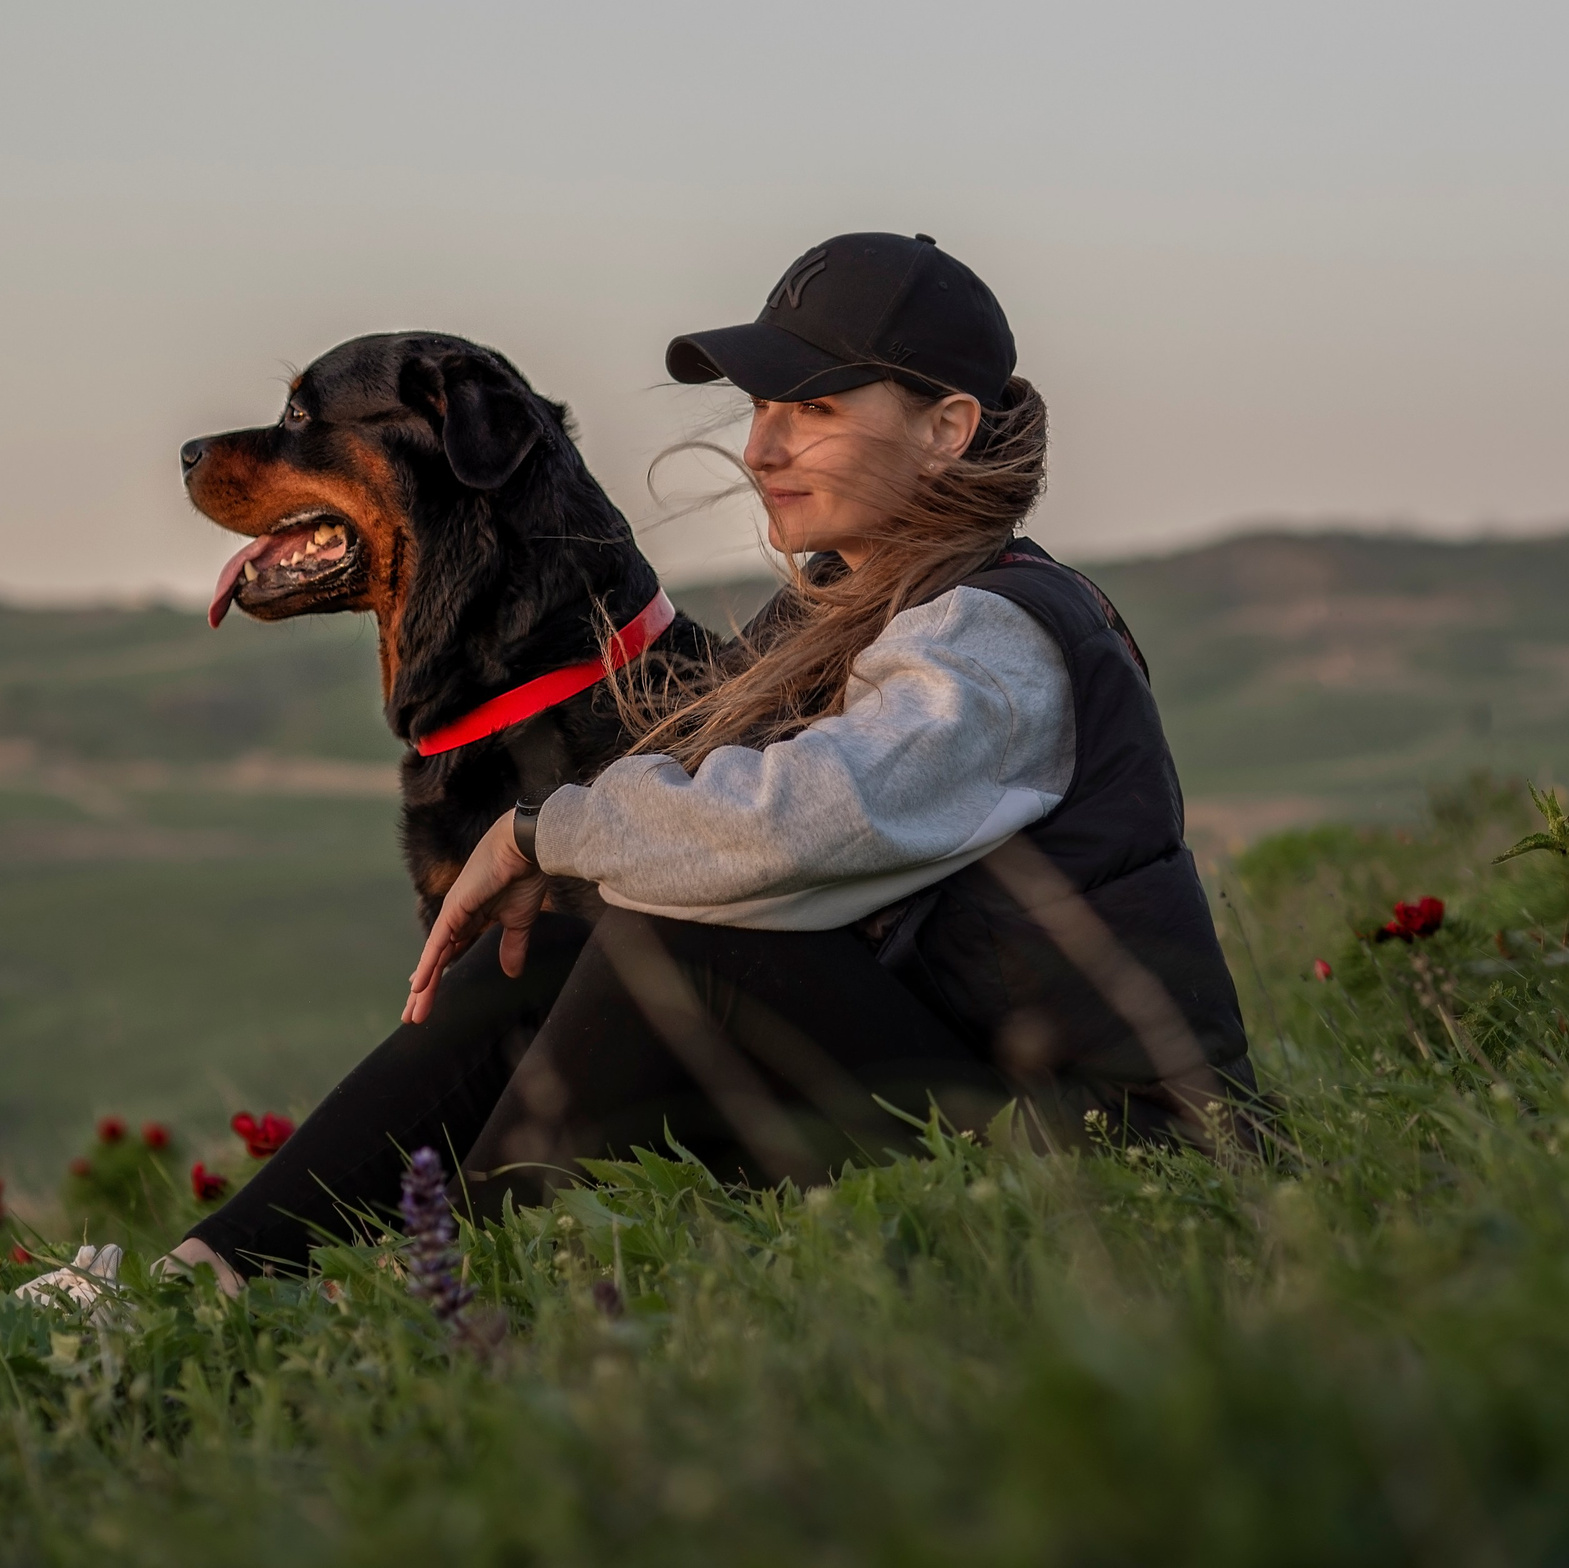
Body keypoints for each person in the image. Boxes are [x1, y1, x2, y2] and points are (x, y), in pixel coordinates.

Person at [167, 232, 1253, 1295]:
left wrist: (544, 829)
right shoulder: (849, 606)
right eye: (760, 409)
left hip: (1116, 1163)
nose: (762, 449)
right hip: (969, 1095)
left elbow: (783, 827)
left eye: (814, 409)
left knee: (675, 939)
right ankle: (210, 1271)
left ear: (946, 429)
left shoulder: (993, 636)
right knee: (552, 947)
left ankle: (448, 1288)